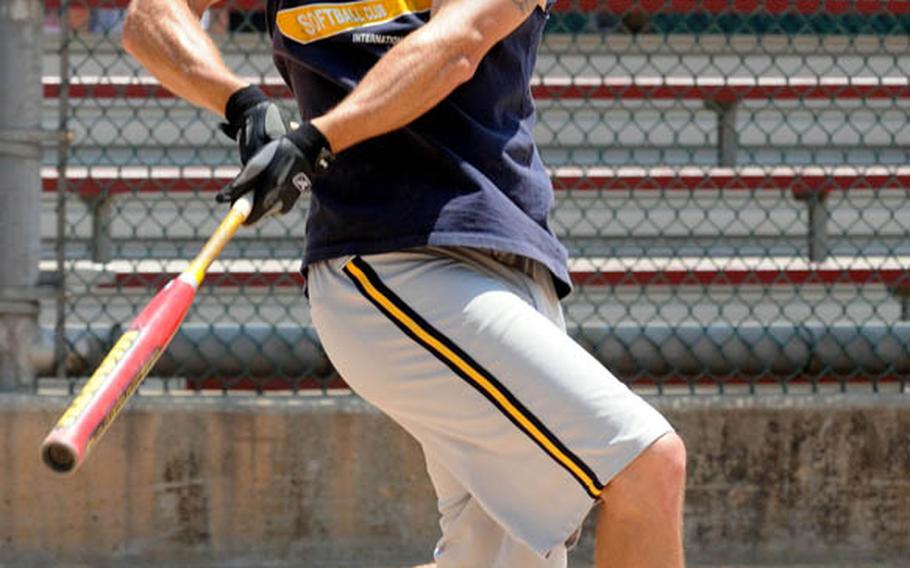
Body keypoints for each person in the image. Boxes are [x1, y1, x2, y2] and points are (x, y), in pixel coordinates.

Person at [121, 0, 687, 565]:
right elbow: (150, 16)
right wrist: (239, 103)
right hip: (387, 266)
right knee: (644, 462)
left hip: (506, 259)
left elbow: (457, 44)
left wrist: (316, 139)